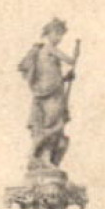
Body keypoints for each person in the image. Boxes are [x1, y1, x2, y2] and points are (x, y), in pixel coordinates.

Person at [18, 19, 77, 169]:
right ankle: (37, 155)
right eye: (57, 33)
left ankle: (45, 157)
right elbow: (70, 60)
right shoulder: (49, 49)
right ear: (48, 33)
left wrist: (65, 78)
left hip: (55, 92)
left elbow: (52, 75)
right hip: (49, 93)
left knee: (54, 124)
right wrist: (76, 55)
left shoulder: (47, 52)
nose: (59, 38)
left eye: (61, 35)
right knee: (52, 124)